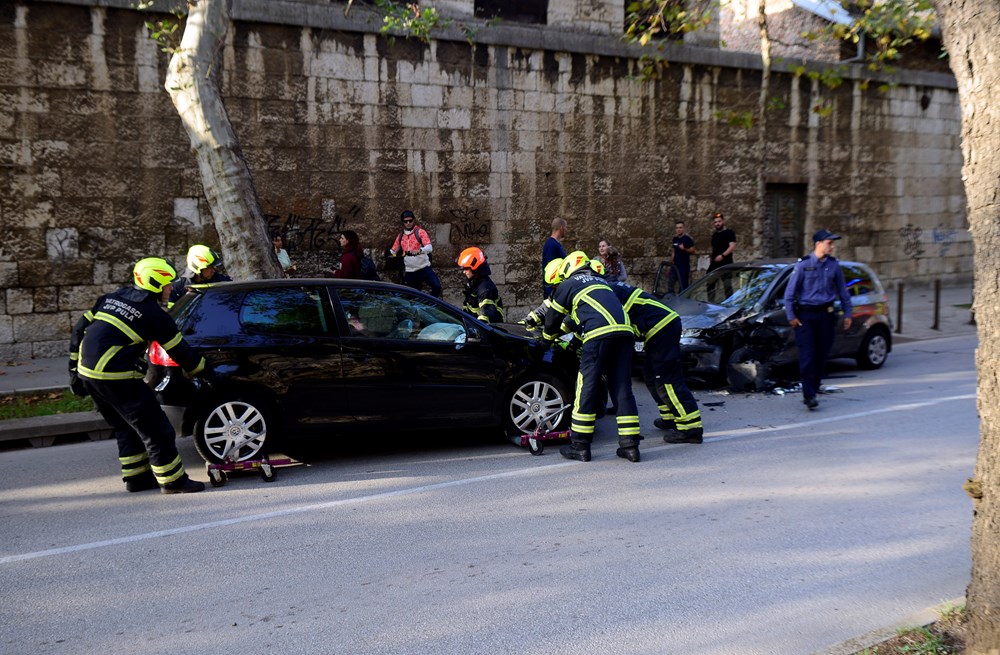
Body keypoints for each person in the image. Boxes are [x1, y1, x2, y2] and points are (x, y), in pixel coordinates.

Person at [68, 258, 209, 494]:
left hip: (88, 374)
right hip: (115, 377)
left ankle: (137, 478)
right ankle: (173, 481)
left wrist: (73, 373)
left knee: (125, 427)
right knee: (158, 429)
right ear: (154, 283)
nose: (170, 289)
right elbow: (181, 352)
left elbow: (79, 329)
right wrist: (204, 372)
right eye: (166, 285)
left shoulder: (112, 297)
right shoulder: (153, 314)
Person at [542, 251, 643, 463]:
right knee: (622, 387)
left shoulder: (569, 284)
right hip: (625, 334)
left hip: (599, 336)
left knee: (587, 385)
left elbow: (553, 318)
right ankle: (630, 446)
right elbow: (588, 316)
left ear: (567, 271)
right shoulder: (601, 282)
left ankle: (579, 445)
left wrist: (545, 340)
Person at [609, 281, 704, 443]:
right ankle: (671, 417)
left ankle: (691, 428)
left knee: (667, 380)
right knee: (651, 376)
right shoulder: (610, 289)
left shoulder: (606, 293)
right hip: (659, 328)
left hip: (662, 327)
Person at [782, 229, 853, 410]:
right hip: (806, 316)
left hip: (826, 316)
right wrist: (791, 316)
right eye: (829, 243)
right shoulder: (804, 265)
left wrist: (847, 314)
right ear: (818, 244)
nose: (832, 246)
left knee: (822, 355)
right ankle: (809, 395)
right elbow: (789, 294)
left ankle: (814, 387)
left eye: (832, 243)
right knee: (807, 356)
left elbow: (843, 293)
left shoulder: (834, 265)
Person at [389, 210, 442, 297]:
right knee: (413, 295)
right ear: (403, 222)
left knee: (437, 287)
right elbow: (393, 250)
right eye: (406, 221)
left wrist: (420, 250)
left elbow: (429, 247)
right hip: (410, 271)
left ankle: (430, 306)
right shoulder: (401, 236)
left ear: (414, 220)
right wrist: (388, 253)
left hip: (424, 267)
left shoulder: (420, 232)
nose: (408, 223)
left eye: (410, 221)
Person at [457, 246, 505, 324]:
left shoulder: (485, 288)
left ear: (474, 268)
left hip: (488, 331)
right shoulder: (474, 284)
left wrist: (476, 331)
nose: (464, 272)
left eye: (466, 269)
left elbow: (486, 315)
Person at [541, 218, 567, 299]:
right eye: (566, 228)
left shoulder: (554, 244)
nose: (566, 230)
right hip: (553, 290)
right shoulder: (551, 245)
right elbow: (551, 267)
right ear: (561, 228)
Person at [667, 221, 696, 293]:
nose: (678, 229)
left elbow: (693, 251)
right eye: (677, 228)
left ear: (683, 229)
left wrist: (684, 249)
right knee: (670, 283)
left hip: (684, 267)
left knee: (683, 287)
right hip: (675, 266)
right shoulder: (675, 239)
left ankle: (681, 301)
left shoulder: (687, 239)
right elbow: (673, 252)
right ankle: (672, 300)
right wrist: (670, 265)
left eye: (680, 228)